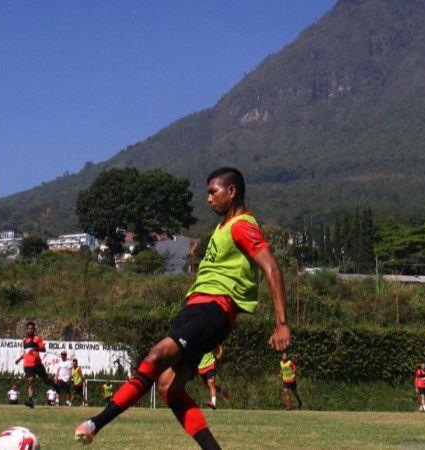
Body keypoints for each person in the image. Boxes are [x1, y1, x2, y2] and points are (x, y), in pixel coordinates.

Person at [75, 167, 291, 449]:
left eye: (213, 192)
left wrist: (281, 322)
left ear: (231, 191)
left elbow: (272, 268)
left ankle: (96, 423)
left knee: (156, 355)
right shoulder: (223, 227)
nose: (208, 199)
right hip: (195, 309)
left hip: (214, 309)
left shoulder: (242, 225)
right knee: (169, 387)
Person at [15, 321, 57, 408]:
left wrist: (35, 349)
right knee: (30, 381)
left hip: (37, 364)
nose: (30, 330)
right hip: (28, 365)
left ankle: (54, 386)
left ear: (34, 330)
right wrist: (19, 359)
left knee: (46, 380)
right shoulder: (24, 341)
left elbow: (43, 349)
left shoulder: (37, 339)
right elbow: (25, 353)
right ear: (26, 329)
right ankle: (30, 400)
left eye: (32, 328)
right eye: (29, 328)